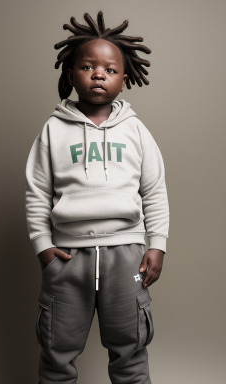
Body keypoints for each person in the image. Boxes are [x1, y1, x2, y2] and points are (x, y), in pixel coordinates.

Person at [25, 11, 169, 384]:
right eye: (87, 66)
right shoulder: (53, 130)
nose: (98, 73)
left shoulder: (136, 131)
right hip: (67, 258)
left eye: (109, 69)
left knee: (131, 350)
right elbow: (37, 191)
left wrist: (157, 244)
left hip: (127, 256)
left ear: (124, 80)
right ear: (70, 74)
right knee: (57, 353)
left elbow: (154, 191)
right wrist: (43, 245)